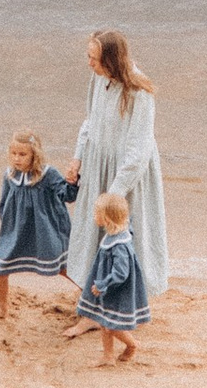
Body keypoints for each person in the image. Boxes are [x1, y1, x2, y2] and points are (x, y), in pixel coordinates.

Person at [63, 29, 167, 334]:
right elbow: (90, 121)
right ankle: (92, 303)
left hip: (126, 175)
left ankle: (105, 309)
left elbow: (138, 149)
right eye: (89, 57)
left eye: (94, 58)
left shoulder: (139, 92)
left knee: (117, 240)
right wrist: (78, 157)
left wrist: (114, 195)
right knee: (91, 234)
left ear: (111, 59)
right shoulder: (99, 79)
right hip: (98, 165)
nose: (89, 63)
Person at [0, 132, 74, 322]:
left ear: (34, 155)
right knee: (1, 267)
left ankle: (95, 299)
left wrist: (72, 181)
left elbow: (67, 196)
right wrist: (9, 227)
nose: (17, 159)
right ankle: (2, 309)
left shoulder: (48, 174)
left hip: (45, 232)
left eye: (22, 154)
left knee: (63, 268)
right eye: (13, 153)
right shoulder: (9, 175)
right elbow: (3, 204)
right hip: (16, 231)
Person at [77, 187, 146, 363]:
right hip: (108, 288)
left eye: (96, 212)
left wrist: (103, 284)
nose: (94, 215)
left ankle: (132, 344)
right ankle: (108, 356)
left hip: (116, 291)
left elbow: (121, 273)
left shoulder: (119, 245)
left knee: (111, 325)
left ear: (106, 217)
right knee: (103, 321)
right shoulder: (116, 233)